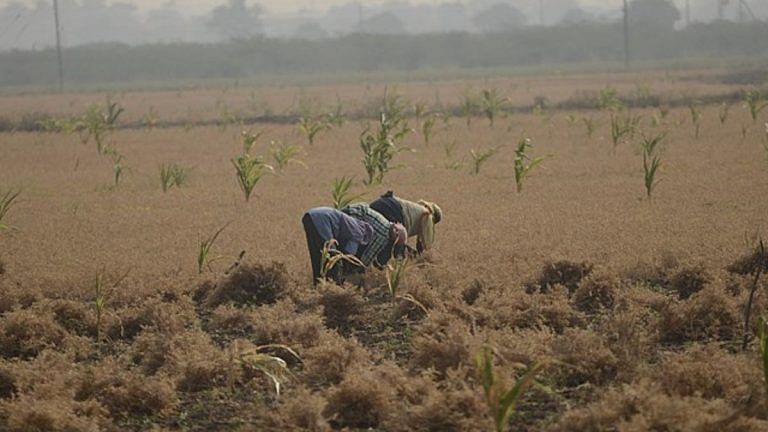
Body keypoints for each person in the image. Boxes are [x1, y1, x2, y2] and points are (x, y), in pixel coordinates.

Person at [302, 206, 406, 285]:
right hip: (323, 220)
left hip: (310, 216)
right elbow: (348, 255)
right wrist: (352, 273)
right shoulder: (360, 233)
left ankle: (318, 286)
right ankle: (330, 290)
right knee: (332, 260)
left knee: (318, 257)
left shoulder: (369, 222)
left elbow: (362, 206)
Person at [370, 191, 442, 254]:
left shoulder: (417, 209)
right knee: (392, 245)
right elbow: (423, 244)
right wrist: (418, 256)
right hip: (392, 211)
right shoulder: (427, 216)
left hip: (382, 203)